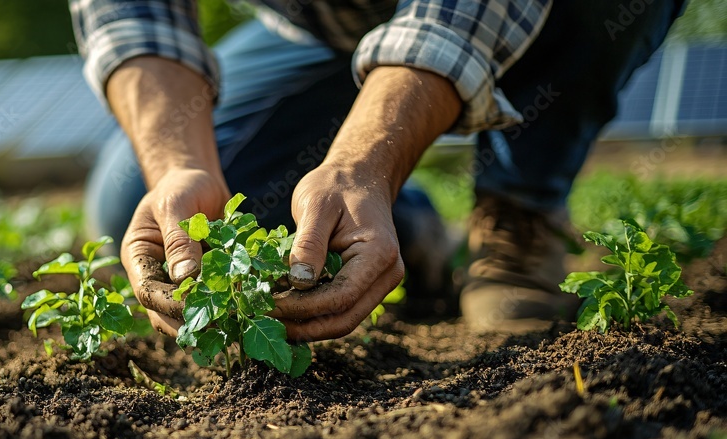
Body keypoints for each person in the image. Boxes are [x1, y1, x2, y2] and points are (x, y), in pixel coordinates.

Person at [72, 0, 684, 338]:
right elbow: (131, 14)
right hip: (330, 29)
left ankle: (519, 208)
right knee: (131, 200)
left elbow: (458, 18)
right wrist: (179, 165)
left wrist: (362, 162)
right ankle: (402, 224)